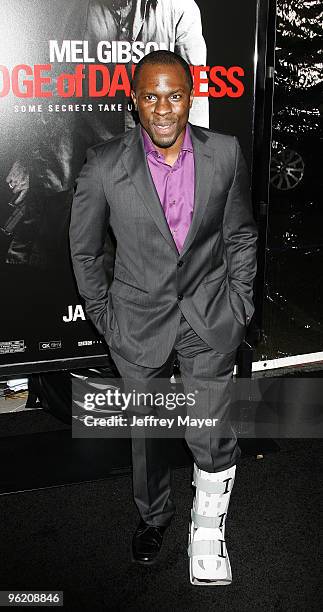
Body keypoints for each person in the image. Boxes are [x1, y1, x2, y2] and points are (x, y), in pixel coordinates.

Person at [69, 50, 258, 585]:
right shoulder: (104, 164)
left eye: (173, 95)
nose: (163, 109)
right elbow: (85, 252)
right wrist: (106, 318)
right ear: (134, 99)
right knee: (147, 437)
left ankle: (207, 527)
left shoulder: (224, 153)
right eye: (150, 96)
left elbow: (241, 234)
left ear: (190, 94)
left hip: (209, 316)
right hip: (138, 322)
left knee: (209, 428)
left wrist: (239, 305)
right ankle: (154, 517)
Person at [3, 0, 208, 266]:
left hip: (148, 173)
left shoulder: (179, 9)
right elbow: (49, 88)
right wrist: (29, 161)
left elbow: (195, 97)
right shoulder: (69, 8)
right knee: (49, 261)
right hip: (79, 169)